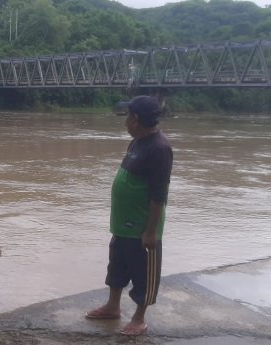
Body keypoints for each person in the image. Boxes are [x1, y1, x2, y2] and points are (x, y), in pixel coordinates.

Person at [85, 95, 173, 336]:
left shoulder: (160, 148)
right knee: (117, 267)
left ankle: (139, 318)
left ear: (135, 119)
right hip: (122, 225)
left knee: (144, 275)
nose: (124, 122)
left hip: (142, 227)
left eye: (127, 116)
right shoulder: (137, 141)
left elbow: (158, 195)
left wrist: (151, 231)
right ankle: (113, 307)